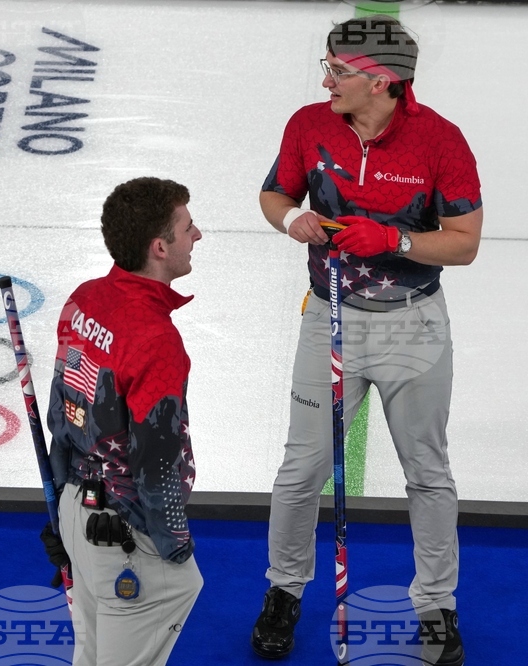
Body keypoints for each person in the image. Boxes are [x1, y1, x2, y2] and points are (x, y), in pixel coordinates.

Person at [251, 15, 481, 666]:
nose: (326, 80)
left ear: (380, 82)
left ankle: (437, 605)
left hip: (414, 321)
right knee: (300, 472)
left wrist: (397, 240)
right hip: (330, 316)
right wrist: (293, 217)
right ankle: (283, 593)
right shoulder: (309, 125)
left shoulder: (440, 142)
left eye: (339, 71)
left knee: (428, 473)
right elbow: (274, 194)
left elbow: (464, 242)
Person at [42, 177, 204, 666]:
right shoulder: (155, 339)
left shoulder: (86, 298)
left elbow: (60, 413)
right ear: (160, 247)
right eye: (188, 227)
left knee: (90, 653)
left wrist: (59, 514)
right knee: (177, 587)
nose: (197, 235)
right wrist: (173, 544)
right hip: (128, 533)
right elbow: (155, 460)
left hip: (77, 509)